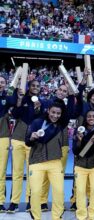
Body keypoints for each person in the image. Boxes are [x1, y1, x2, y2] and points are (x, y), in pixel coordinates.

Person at [25, 100, 68, 220]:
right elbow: (27, 142)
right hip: (37, 162)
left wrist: (72, 92)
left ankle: (56, 217)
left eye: (58, 113)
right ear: (48, 110)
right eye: (53, 112)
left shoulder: (61, 125)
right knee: (35, 192)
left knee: (59, 192)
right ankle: (36, 217)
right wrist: (32, 138)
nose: (55, 115)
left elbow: (69, 109)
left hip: (55, 162)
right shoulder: (37, 122)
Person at [8, 80, 46, 213]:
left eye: (37, 86)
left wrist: (38, 109)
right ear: (28, 87)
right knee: (17, 172)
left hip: (32, 141)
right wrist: (19, 101)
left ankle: (31, 200)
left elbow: (40, 120)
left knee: (32, 173)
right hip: (18, 139)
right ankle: (14, 202)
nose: (35, 87)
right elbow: (14, 114)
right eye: (33, 85)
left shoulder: (41, 102)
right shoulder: (21, 98)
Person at [40, 84, 76, 211]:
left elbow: (72, 113)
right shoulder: (47, 104)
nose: (62, 92)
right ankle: (42, 201)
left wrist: (72, 96)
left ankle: (58, 203)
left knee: (59, 176)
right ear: (56, 90)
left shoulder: (67, 108)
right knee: (45, 175)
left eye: (65, 91)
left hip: (63, 144)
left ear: (67, 94)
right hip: (48, 144)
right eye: (60, 89)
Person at [72, 110, 94, 220]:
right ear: (86, 118)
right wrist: (79, 141)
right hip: (80, 165)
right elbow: (75, 151)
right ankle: (81, 216)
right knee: (80, 191)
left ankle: (92, 216)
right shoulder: (79, 130)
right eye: (89, 116)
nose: (91, 118)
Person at [0, 75, 17, 212]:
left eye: (2, 82)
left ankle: (0, 201)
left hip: (3, 137)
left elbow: (14, 100)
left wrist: (11, 88)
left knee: (1, 171)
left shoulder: (7, 97)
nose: (0, 84)